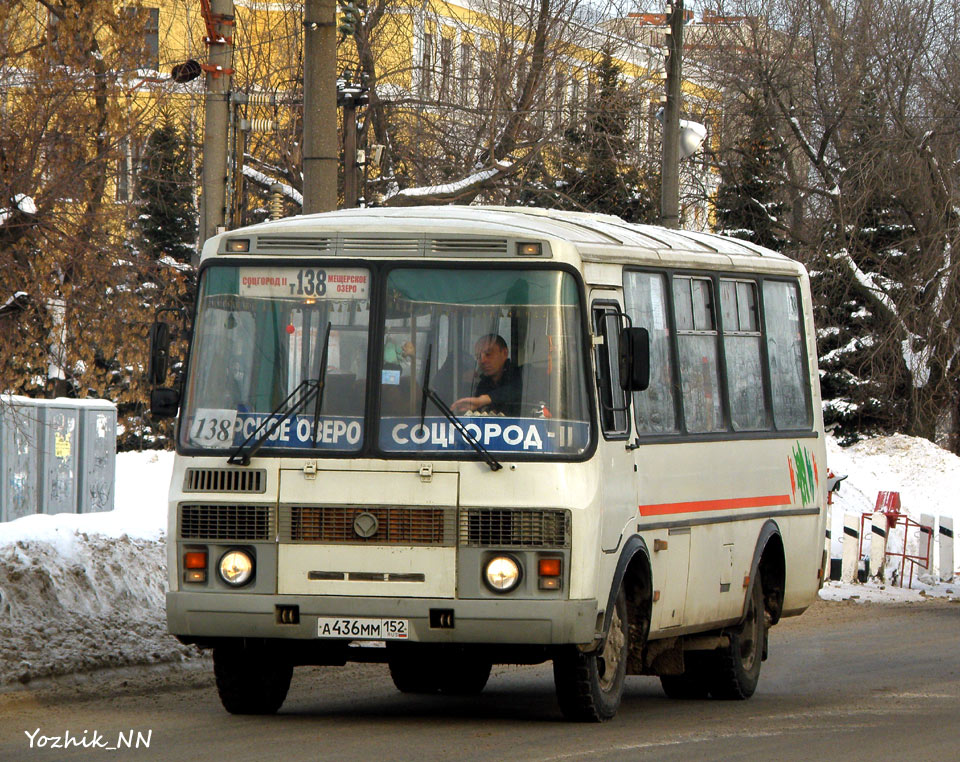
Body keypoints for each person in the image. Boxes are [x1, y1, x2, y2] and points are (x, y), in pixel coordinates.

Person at [452, 334, 523, 416]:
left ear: (504, 353)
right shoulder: (481, 385)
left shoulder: (522, 375)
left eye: (488, 354)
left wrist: (483, 400)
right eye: (478, 357)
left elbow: (516, 389)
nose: (482, 360)